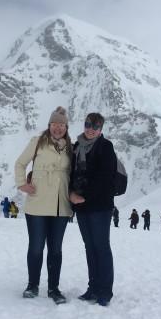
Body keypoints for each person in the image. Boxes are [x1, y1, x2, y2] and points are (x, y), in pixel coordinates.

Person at [15, 106, 72, 305]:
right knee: (37, 247)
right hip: (38, 203)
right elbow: (20, 163)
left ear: (66, 127)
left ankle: (54, 288)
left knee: (55, 249)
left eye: (62, 125)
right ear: (49, 125)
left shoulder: (70, 146)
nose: (58, 128)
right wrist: (23, 183)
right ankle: (32, 285)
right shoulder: (38, 142)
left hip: (60, 205)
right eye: (54, 124)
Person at [69, 112, 117, 307]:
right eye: (88, 124)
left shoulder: (106, 147)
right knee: (90, 248)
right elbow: (71, 174)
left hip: (100, 206)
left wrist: (83, 196)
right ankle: (93, 288)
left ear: (101, 130)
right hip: (82, 207)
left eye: (95, 126)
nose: (90, 129)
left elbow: (105, 178)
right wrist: (71, 194)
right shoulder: (76, 147)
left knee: (101, 247)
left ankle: (105, 291)